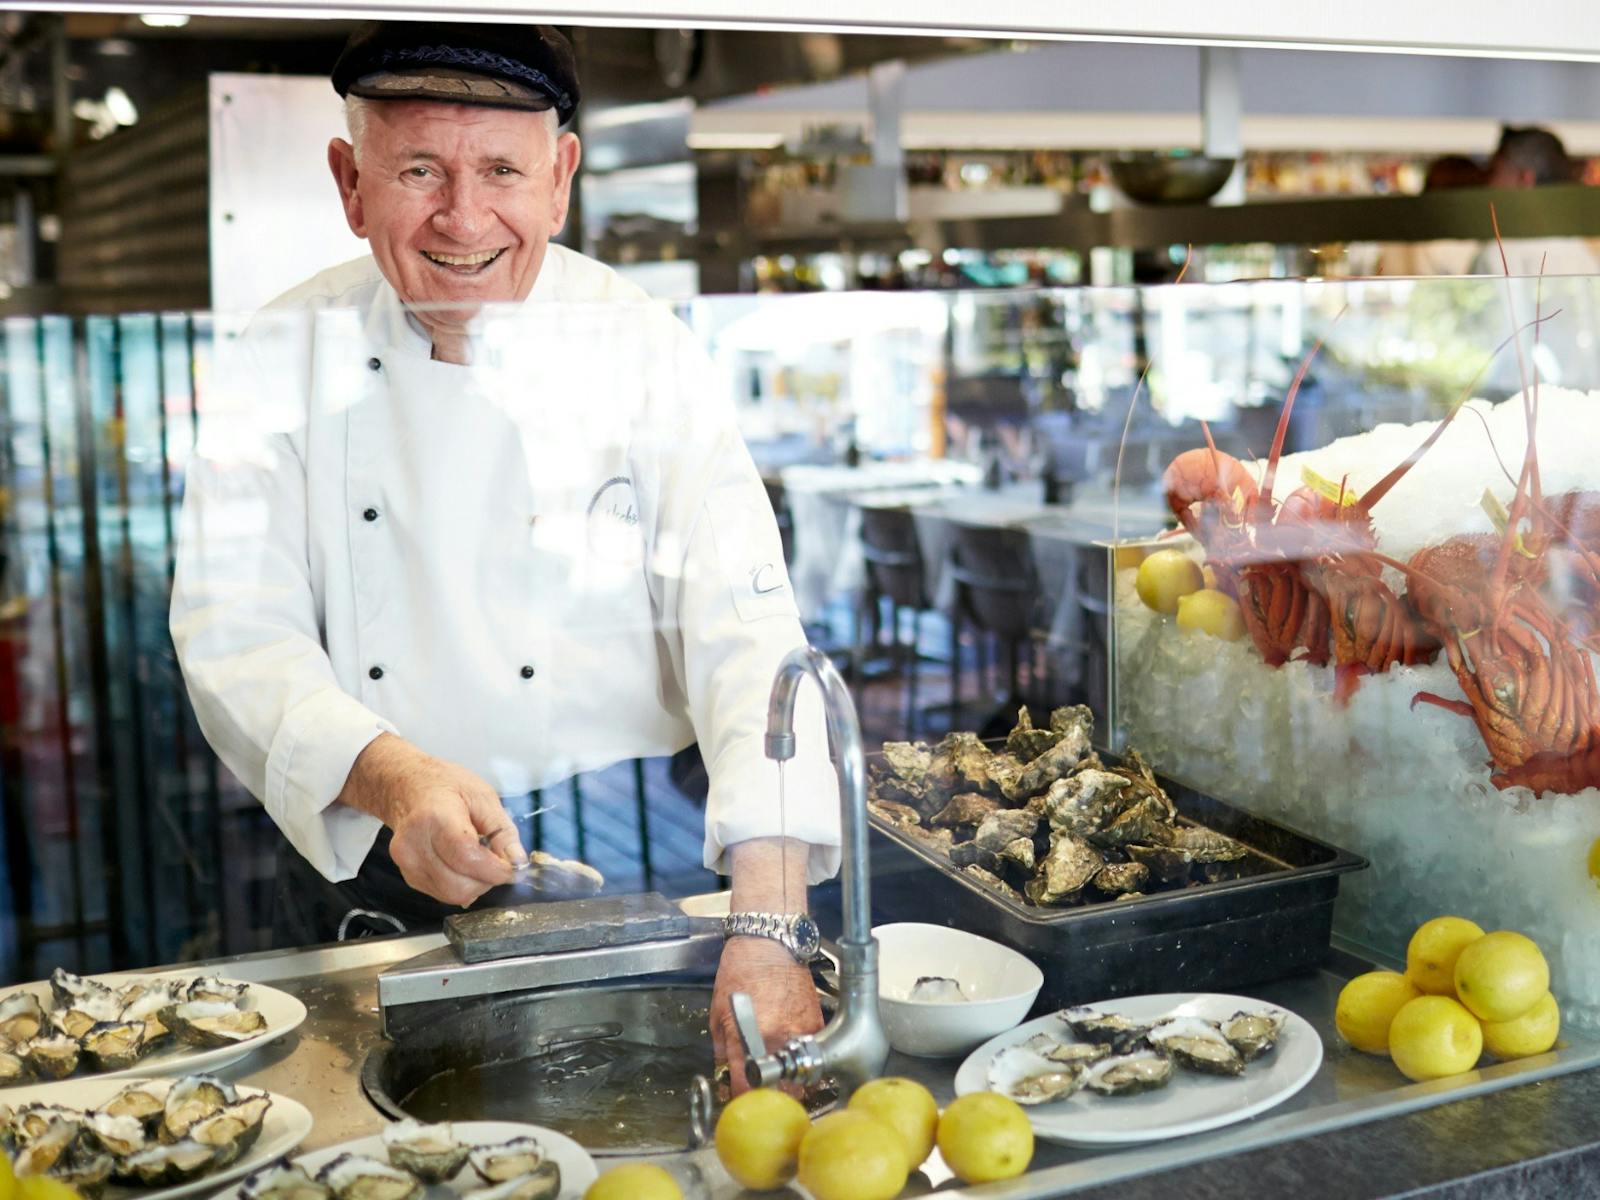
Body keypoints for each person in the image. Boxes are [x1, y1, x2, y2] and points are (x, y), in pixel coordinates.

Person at [169, 20, 838, 1086]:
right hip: (387, 869)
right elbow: (233, 631)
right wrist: (391, 777)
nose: (463, 218)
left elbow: (749, 640)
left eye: (500, 171)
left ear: (560, 175)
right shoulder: (279, 355)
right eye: (419, 171)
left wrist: (769, 922)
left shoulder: (641, 348)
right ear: (350, 182)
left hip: (643, 862)